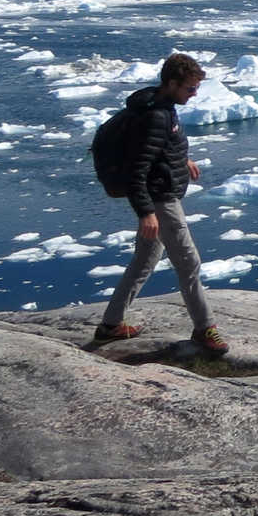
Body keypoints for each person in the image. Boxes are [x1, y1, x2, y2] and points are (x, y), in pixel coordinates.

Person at [95, 53, 229, 353]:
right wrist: (146, 212)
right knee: (188, 262)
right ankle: (205, 329)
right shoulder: (156, 115)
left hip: (159, 195)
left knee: (145, 260)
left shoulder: (159, 106)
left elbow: (155, 149)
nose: (194, 94)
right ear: (172, 83)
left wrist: (182, 159)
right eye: (190, 88)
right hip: (160, 200)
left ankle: (110, 325)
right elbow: (137, 169)